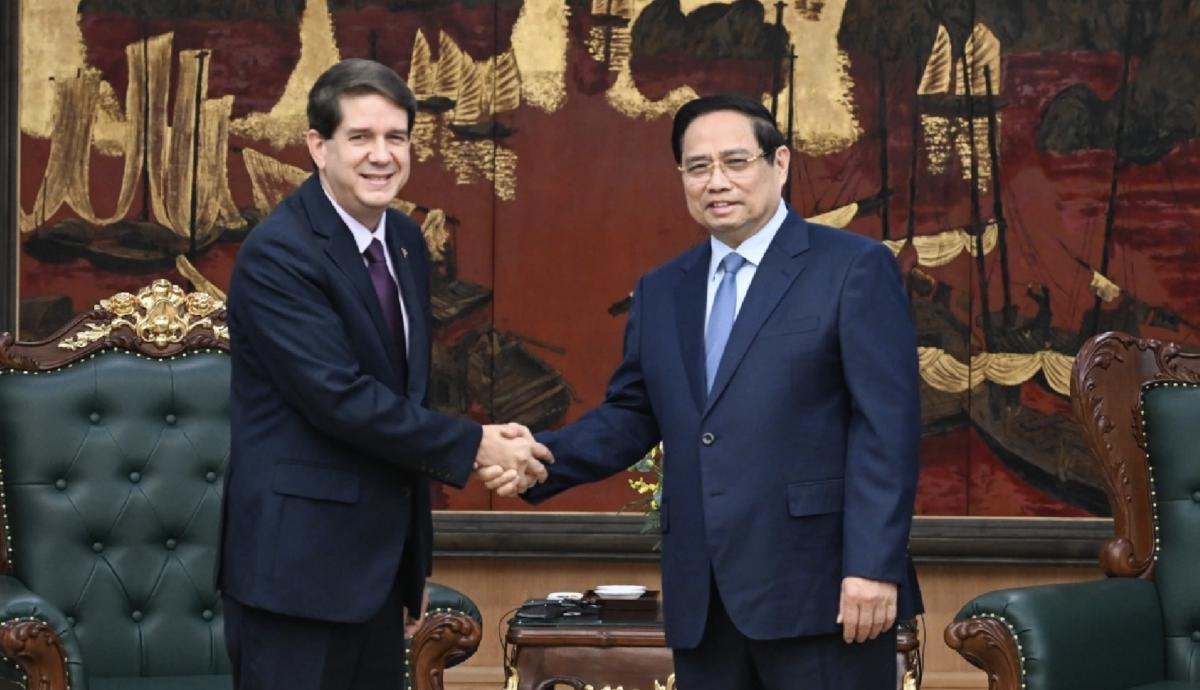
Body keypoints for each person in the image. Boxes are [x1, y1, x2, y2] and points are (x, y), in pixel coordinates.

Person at [513, 93, 923, 689]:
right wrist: (532, 460)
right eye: (698, 167)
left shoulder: (852, 267)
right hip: (703, 600)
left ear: (779, 163)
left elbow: (887, 426)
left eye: (735, 162)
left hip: (824, 593)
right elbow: (632, 414)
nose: (716, 182)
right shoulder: (663, 290)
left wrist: (873, 566)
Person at [217, 58, 549, 690]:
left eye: (396, 137)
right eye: (361, 137)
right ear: (318, 146)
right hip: (296, 575)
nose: (382, 156)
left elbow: (402, 395)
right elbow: (338, 398)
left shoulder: (402, 239)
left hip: (376, 575)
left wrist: (407, 568)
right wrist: (477, 445)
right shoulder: (279, 252)